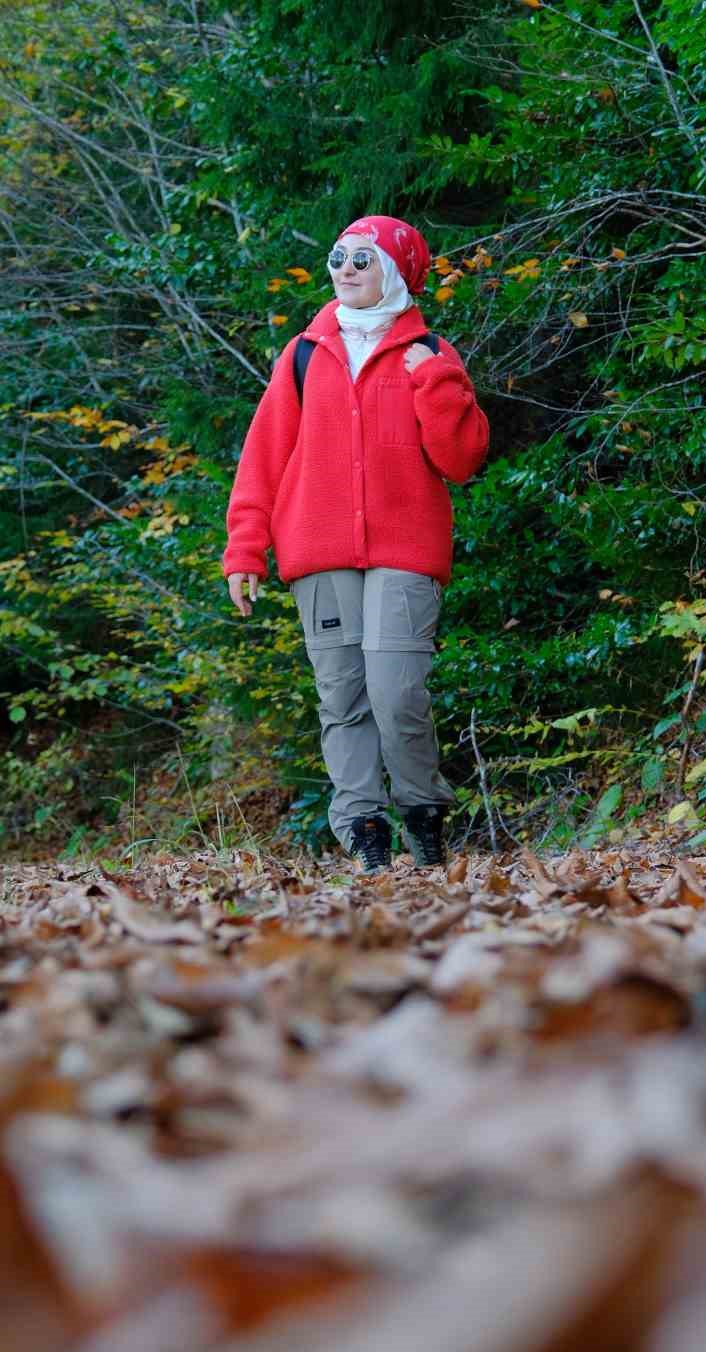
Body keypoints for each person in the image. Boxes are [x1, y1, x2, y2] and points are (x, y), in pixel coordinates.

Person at [221, 214, 489, 870]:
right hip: (318, 550)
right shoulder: (305, 354)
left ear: (397, 272)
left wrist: (434, 379)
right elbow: (265, 456)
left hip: (406, 548)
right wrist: (245, 548)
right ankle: (365, 836)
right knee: (342, 695)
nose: (345, 269)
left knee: (397, 693)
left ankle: (424, 819)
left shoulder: (431, 353)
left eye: (362, 260)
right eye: (339, 257)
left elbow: (463, 458)